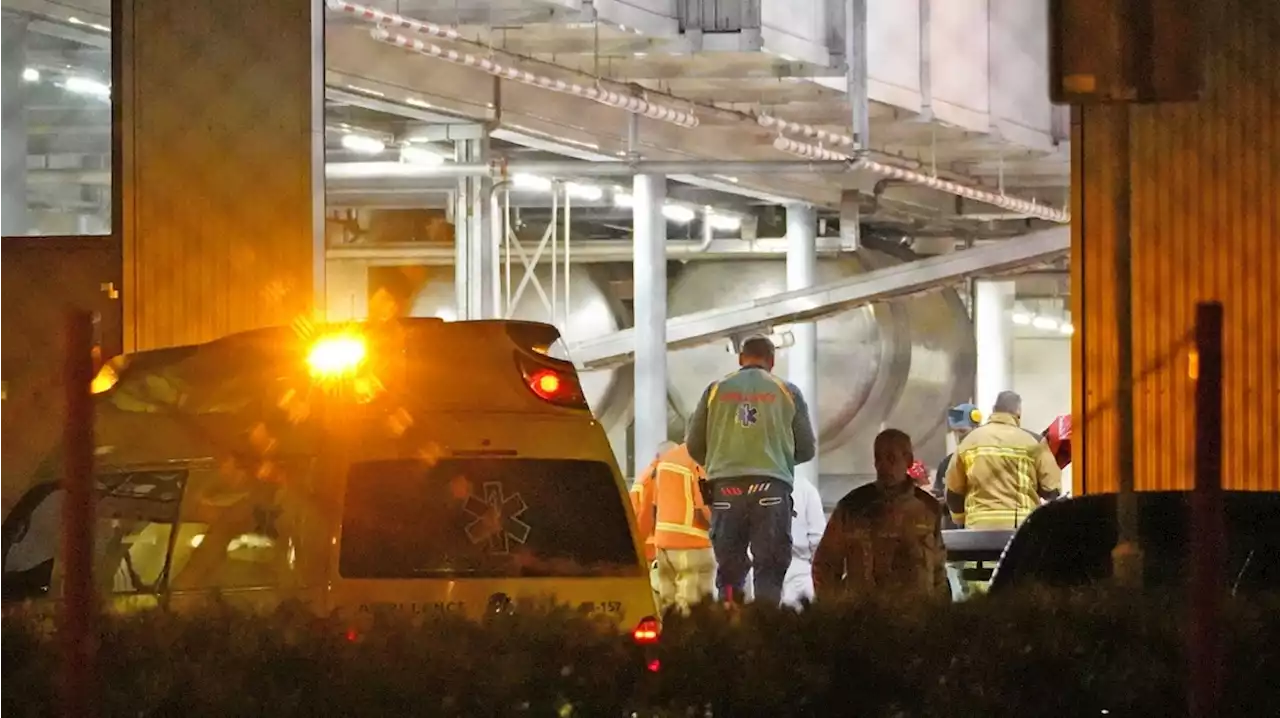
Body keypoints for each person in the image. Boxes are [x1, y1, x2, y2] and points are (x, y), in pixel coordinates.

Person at [685, 335, 817, 606]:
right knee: (769, 568)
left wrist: (721, 463)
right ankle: (765, 631)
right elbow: (806, 448)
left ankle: (731, 628)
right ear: (771, 361)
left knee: (731, 571)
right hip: (770, 491)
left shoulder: (714, 390)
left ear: (740, 359)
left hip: (725, 491)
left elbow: (694, 445)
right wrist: (777, 458)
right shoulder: (787, 392)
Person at [811, 429, 948, 601]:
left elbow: (938, 570)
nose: (883, 466)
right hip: (865, 618)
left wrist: (939, 613)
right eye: (878, 458)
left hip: (916, 618)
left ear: (908, 460)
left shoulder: (928, 508)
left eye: (891, 458)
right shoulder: (853, 507)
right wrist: (835, 611)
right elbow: (826, 564)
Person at [945, 391, 1062, 530]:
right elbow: (1052, 489)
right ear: (1018, 412)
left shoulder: (968, 442)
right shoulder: (1034, 442)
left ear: (994, 410)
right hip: (1021, 529)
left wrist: (961, 519)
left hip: (978, 528)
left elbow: (953, 493)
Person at [629, 441, 715, 613]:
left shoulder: (661, 466)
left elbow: (649, 510)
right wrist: (722, 528)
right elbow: (704, 505)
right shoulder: (698, 459)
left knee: (667, 606)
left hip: (663, 546)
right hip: (692, 544)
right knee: (693, 608)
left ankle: (669, 638)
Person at [933, 403, 983, 530]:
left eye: (963, 431)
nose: (959, 437)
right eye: (955, 432)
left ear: (977, 429)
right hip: (953, 533)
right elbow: (939, 497)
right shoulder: (947, 463)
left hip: (977, 530)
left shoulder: (985, 461)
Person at [781, 475, 825, 607]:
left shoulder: (752, 486)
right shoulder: (806, 489)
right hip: (798, 569)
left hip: (761, 569)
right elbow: (817, 540)